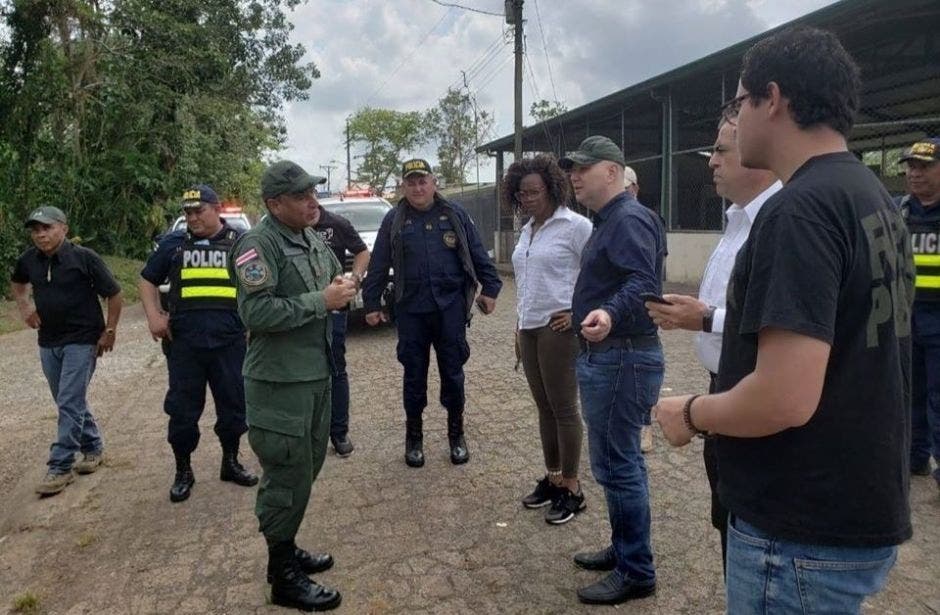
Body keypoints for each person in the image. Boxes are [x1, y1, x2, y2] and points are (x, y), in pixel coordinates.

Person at [654, 27, 913, 613]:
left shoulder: (799, 211)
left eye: (739, 104)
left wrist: (691, 412)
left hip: (799, 527)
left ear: (772, 99)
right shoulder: (870, 195)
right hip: (851, 505)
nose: (737, 121)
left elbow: (783, 399)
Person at [645, 117, 780, 573]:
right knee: (727, 513)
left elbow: (776, 321)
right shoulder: (739, 218)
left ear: (758, 150)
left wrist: (703, 318)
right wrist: (700, 312)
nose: (712, 163)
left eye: (722, 150)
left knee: (745, 518)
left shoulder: (779, 221)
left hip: (753, 390)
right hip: (723, 382)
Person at [231, 160, 356, 612]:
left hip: (316, 373)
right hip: (279, 382)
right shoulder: (256, 245)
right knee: (286, 474)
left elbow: (330, 282)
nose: (312, 202)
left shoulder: (308, 236)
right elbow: (256, 314)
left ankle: (286, 546)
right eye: (302, 196)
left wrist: (344, 285)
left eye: (313, 193)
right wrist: (321, 300)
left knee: (307, 466)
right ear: (273, 204)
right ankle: (281, 575)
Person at [560, 136, 667, 605]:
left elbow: (643, 282)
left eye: (585, 168)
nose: (575, 176)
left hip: (621, 355)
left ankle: (636, 571)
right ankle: (626, 549)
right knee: (618, 462)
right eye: (572, 169)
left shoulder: (626, 218)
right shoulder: (610, 220)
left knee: (618, 465)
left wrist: (607, 312)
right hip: (613, 355)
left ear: (613, 172)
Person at [362, 158, 502, 468]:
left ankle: (456, 435)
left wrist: (490, 288)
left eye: (422, 180)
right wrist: (371, 304)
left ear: (433, 182)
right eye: (411, 182)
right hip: (411, 310)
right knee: (413, 375)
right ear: (403, 186)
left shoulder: (454, 214)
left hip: (450, 309)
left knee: (453, 373)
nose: (417, 187)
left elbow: (477, 252)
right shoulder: (394, 219)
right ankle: (414, 439)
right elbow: (378, 264)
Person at [139, 185, 258, 503]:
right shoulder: (173, 244)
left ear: (216, 208)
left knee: (234, 407)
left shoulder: (240, 242)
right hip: (185, 345)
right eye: (187, 212)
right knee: (182, 412)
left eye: (198, 211)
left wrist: (253, 324)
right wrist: (154, 316)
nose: (192, 217)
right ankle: (183, 471)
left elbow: (256, 286)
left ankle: (230, 462)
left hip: (229, 343)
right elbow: (147, 279)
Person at [505, 154, 593, 524]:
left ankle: (572, 487)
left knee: (564, 408)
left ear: (553, 188)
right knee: (543, 407)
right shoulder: (528, 230)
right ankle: (554, 478)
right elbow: (526, 282)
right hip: (529, 328)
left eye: (534, 191)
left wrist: (578, 313)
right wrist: (519, 323)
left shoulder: (576, 227)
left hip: (558, 331)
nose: (527, 198)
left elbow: (599, 275)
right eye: (521, 193)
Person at [11, 206, 123, 496]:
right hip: (48, 340)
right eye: (35, 230)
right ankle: (93, 447)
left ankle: (60, 466)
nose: (40, 235)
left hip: (83, 339)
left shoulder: (84, 258)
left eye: (46, 228)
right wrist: (26, 308)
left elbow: (114, 292)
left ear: (63, 228)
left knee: (70, 399)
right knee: (66, 400)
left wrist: (109, 331)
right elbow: (18, 282)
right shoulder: (29, 260)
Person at [312, 197, 370, 458]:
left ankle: (339, 432)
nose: (309, 201)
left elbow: (362, 251)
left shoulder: (336, 224)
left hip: (334, 310)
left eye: (311, 194)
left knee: (336, 369)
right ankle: (307, 434)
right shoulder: (287, 227)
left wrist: (355, 278)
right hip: (300, 312)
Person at [898, 137, 940, 487]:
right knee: (909, 391)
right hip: (906, 316)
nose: (916, 174)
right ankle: (915, 458)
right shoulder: (900, 212)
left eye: (925, 166)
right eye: (911, 166)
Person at [622, 165, 653, 454]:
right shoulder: (611, 220)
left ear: (635, 188)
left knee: (642, 372)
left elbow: (653, 269)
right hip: (617, 318)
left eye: (626, 186)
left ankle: (645, 427)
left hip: (641, 315)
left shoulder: (647, 219)